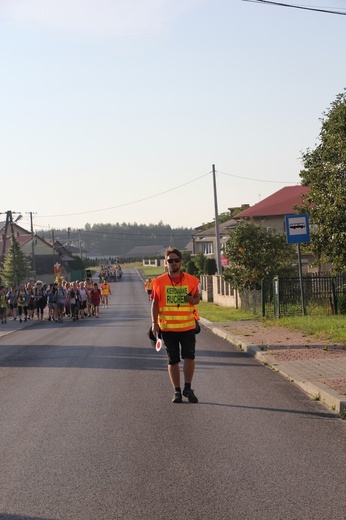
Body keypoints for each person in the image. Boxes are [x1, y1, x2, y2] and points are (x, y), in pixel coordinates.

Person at [151, 247, 200, 404]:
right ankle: (177, 391)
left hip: (187, 327)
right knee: (173, 360)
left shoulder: (191, 280)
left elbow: (197, 298)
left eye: (176, 260)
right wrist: (154, 323)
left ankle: (188, 387)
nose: (173, 263)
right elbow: (155, 303)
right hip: (168, 328)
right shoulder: (159, 282)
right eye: (170, 261)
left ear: (181, 262)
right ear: (166, 263)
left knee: (189, 357)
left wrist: (193, 300)